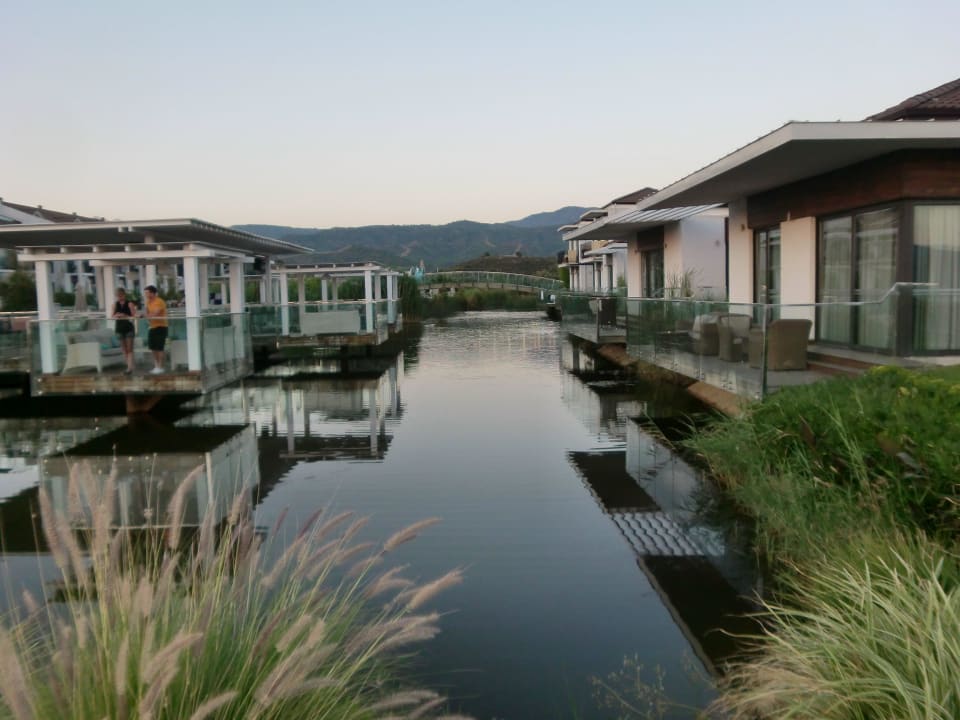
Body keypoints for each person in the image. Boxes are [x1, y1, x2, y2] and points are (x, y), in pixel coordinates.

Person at [143, 285, 168, 374]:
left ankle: (160, 366)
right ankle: (156, 365)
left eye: (147, 293)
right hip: (152, 327)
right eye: (145, 293)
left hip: (161, 326)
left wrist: (147, 315)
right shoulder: (148, 302)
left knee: (159, 347)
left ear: (152, 293)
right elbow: (147, 313)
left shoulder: (159, 301)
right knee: (153, 347)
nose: (145, 294)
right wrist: (146, 315)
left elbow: (155, 313)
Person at [112, 288, 138, 374]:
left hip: (128, 328)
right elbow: (112, 316)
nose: (119, 297)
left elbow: (134, 315)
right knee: (124, 349)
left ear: (124, 295)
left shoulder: (130, 304)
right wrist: (117, 315)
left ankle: (129, 368)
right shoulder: (115, 304)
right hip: (119, 328)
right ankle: (129, 366)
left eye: (121, 295)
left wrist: (125, 315)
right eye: (118, 295)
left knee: (129, 348)